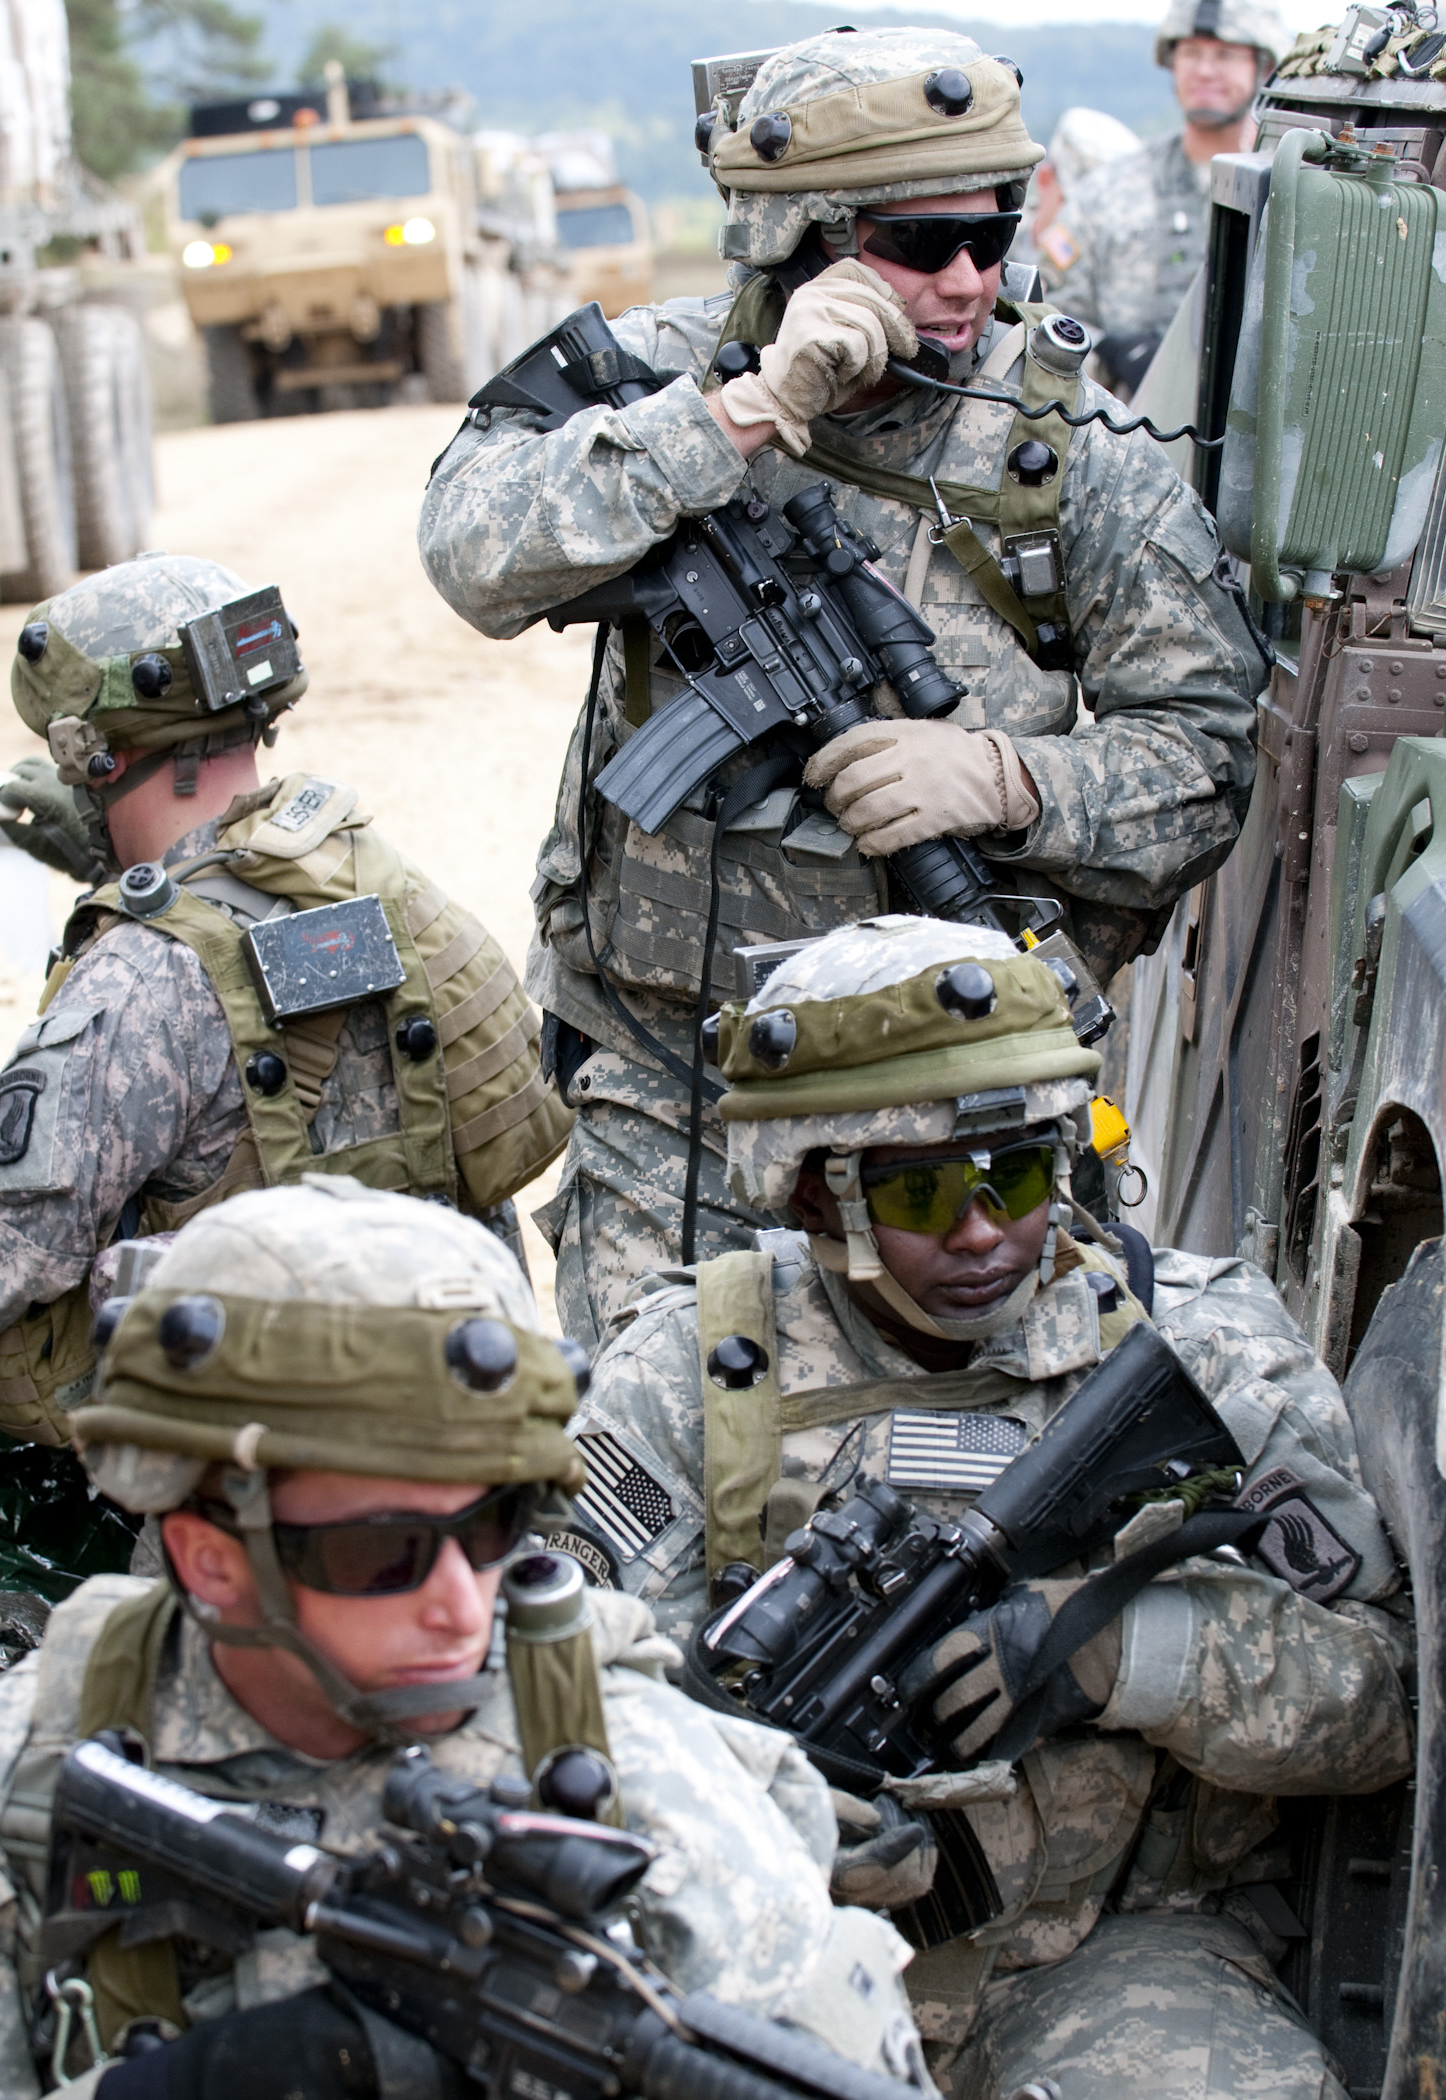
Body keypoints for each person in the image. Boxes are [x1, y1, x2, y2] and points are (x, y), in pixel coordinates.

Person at [418, 25, 1271, 1351]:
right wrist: (740, 416)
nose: (968, 281)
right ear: (796, 241)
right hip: (671, 1085)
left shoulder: (1068, 461)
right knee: (658, 1489)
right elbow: (473, 554)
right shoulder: (661, 378)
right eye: (919, 247)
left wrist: (1007, 782)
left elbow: (1211, 759)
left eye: (991, 236)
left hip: (966, 1112)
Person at [561, 913, 1413, 2096]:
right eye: (917, 1197)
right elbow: (561, 1703)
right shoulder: (692, 1369)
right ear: (812, 1196)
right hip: (771, 1957)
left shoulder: (1195, 1345)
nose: (979, 1234)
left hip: (1098, 1958)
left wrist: (1117, 1653)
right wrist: (749, 1807)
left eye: (1011, 1178)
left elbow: (1387, 1700)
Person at [0, 1179, 928, 2098]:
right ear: (209, 1558)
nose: (462, 1603)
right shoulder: (14, 1769)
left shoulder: (633, 1770)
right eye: (385, 1552)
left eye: (494, 1526)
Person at [0, 552, 571, 1454]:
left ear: (98, 751)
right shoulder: (377, 881)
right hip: (466, 1423)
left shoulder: (140, 979)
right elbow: (258, 956)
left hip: (265, 1478)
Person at [1037, 0, 1288, 394]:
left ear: (1265, 67)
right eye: (1191, 53)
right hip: (1128, 430)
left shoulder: (1293, 195)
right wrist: (1113, 350)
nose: (1205, 70)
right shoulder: (1107, 191)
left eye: (1225, 55)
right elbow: (1046, 314)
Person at [1008, 106, 1139, 271]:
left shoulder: (1116, 272)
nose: (1081, 223)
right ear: (1045, 181)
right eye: (1072, 206)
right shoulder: (997, 245)